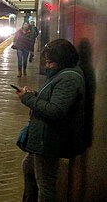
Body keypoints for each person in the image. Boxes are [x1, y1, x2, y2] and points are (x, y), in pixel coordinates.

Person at [15, 39, 86, 202]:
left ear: (62, 60)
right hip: (42, 139)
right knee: (28, 169)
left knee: (45, 186)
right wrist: (35, 95)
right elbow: (53, 98)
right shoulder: (62, 73)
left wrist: (27, 99)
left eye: (50, 62)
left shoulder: (69, 78)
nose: (47, 65)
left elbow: (55, 111)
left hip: (49, 140)